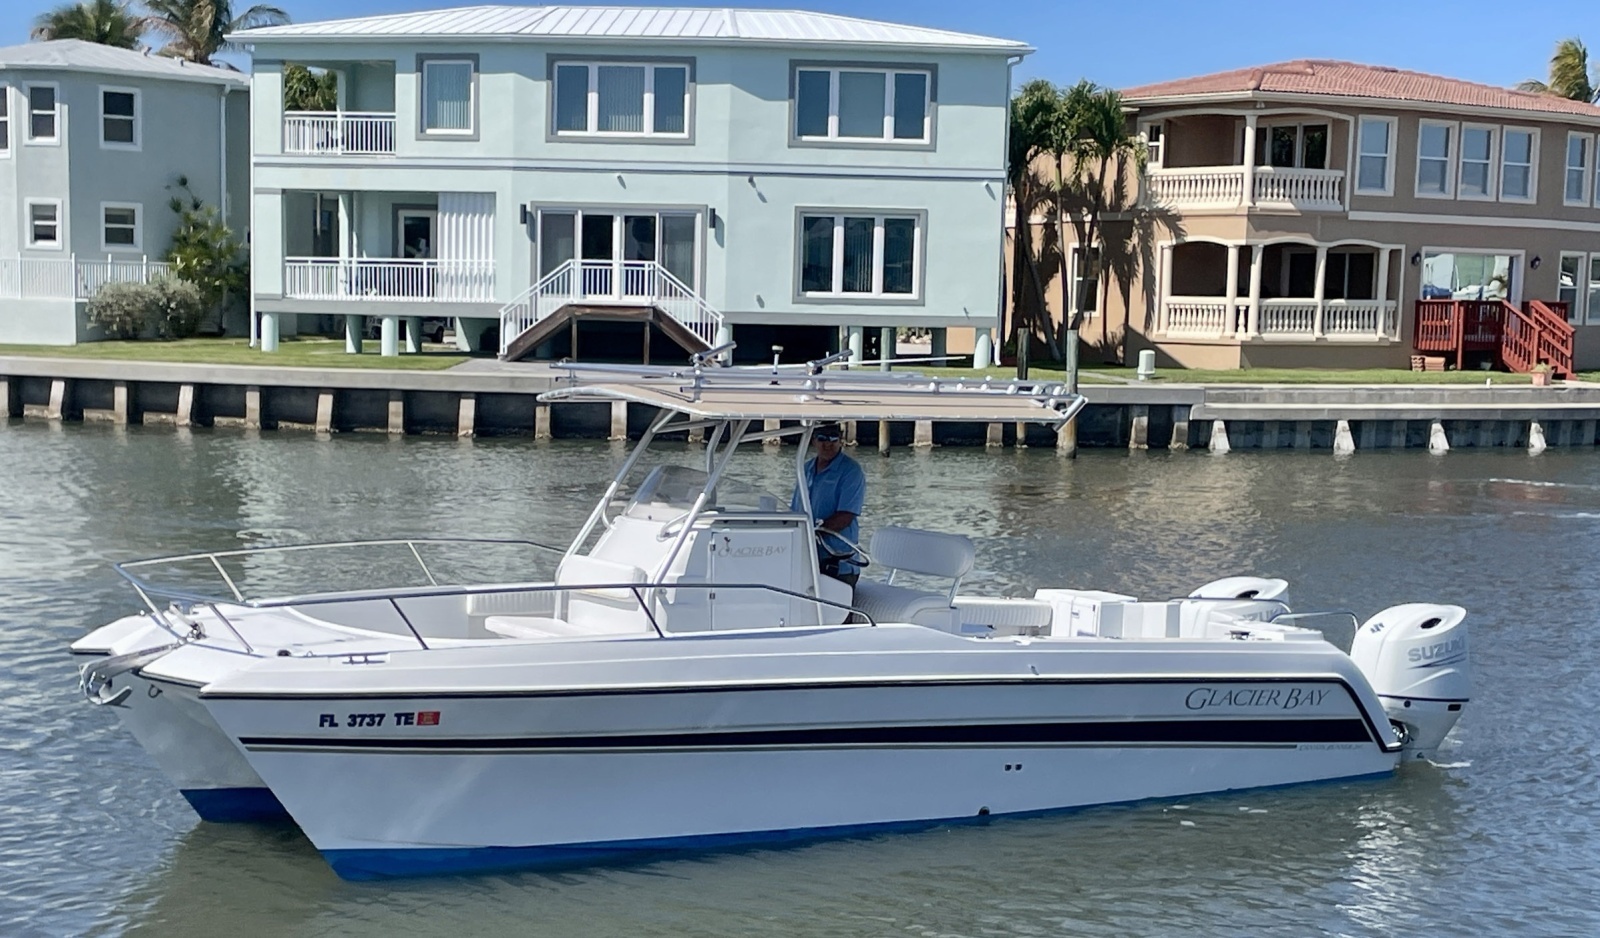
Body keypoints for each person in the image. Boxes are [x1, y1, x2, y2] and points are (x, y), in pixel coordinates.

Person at [791, 422, 866, 587]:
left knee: (836, 612)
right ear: (813, 441)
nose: (828, 444)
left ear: (840, 441)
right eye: (822, 438)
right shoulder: (804, 469)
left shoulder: (851, 471)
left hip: (837, 563)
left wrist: (813, 534)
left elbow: (845, 516)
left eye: (833, 438)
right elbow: (795, 510)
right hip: (807, 558)